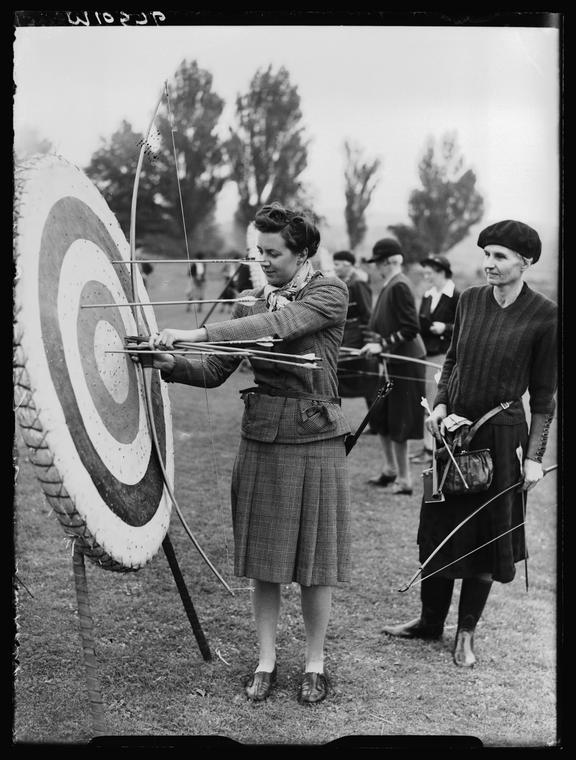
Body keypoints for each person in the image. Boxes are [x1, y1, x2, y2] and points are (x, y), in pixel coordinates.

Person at [139, 202, 352, 705]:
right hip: (262, 437)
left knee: (314, 561)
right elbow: (217, 370)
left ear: (303, 253)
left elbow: (277, 326)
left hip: (315, 438)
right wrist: (170, 361)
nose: (263, 260)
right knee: (266, 560)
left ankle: (315, 664)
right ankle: (266, 661)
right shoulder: (249, 300)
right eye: (258, 250)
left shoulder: (328, 292)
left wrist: (195, 331)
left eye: (274, 252)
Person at [381, 220, 557, 668]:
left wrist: (534, 458)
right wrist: (440, 406)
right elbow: (454, 359)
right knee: (438, 530)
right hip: (452, 434)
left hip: (501, 438)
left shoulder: (545, 315)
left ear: (526, 261)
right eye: (486, 254)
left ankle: (465, 634)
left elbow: (544, 399)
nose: (489, 264)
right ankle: (428, 623)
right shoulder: (472, 300)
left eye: (500, 256)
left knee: (482, 536)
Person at [360, 238, 427, 495]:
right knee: (382, 416)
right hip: (391, 360)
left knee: (398, 419)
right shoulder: (390, 284)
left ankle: (405, 480)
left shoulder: (400, 285)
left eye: (378, 262)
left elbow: (411, 328)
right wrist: (376, 345)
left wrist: (383, 345)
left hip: (405, 364)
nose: (376, 267)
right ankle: (389, 470)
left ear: (389, 261)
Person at [410, 255, 460, 465]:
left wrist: (445, 328)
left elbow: (462, 325)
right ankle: (428, 448)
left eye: (429, 271)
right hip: (427, 354)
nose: (426, 275)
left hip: (443, 355)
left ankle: (433, 450)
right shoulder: (428, 295)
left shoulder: (456, 295)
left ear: (441, 271)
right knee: (426, 402)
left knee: (435, 401)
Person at [332, 250, 378, 416]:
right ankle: (334, 416)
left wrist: (368, 340)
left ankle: (376, 422)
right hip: (344, 335)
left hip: (358, 337)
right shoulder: (342, 283)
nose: (334, 268)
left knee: (367, 379)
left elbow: (367, 314)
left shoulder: (358, 284)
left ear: (347, 264)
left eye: (337, 264)